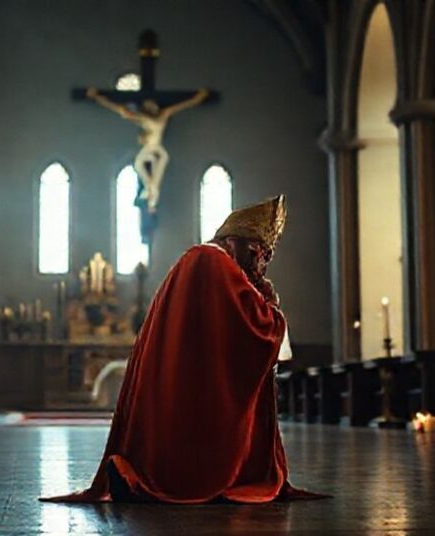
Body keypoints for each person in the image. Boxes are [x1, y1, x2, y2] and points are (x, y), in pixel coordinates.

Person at [42, 195, 325, 504]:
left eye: (266, 257)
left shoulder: (202, 259)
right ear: (233, 242)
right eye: (257, 253)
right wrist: (271, 306)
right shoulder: (214, 261)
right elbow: (256, 327)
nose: (261, 264)